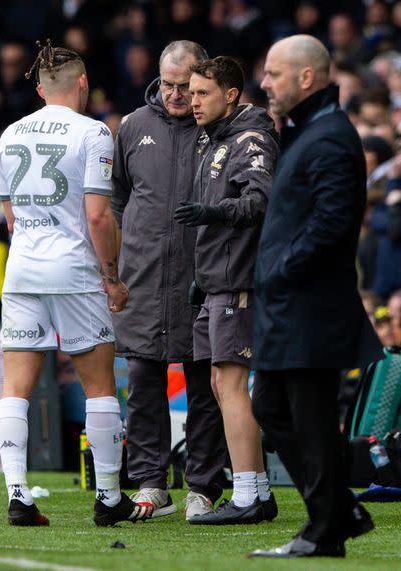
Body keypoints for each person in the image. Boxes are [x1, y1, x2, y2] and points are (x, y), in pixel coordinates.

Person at [0, 41, 147, 528]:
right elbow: (99, 216)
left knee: (15, 388)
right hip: (75, 271)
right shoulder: (94, 132)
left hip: (21, 270)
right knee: (99, 386)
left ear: (39, 89)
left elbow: (11, 217)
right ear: (83, 83)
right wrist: (112, 278)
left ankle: (17, 494)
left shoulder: (9, 134)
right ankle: (107, 497)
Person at [250, 35, 382, 558]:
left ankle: (325, 528)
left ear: (307, 78)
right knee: (273, 405)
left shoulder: (328, 137)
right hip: (292, 306)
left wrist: (281, 269)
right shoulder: (310, 131)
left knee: (310, 416)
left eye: (274, 74)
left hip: (309, 308)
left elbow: (332, 223)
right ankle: (337, 511)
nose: (264, 84)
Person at [111, 40, 226, 520]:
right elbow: (117, 197)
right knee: (142, 382)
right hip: (143, 276)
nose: (177, 95)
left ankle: (203, 486)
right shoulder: (133, 127)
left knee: (206, 386)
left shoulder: (220, 129)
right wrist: (120, 260)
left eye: (186, 86)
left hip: (204, 274)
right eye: (168, 85)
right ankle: (151, 483)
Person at [174, 56, 279, 524]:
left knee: (233, 385)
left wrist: (212, 213)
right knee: (221, 383)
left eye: (201, 93)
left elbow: (260, 201)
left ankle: (249, 495)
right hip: (216, 280)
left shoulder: (250, 138)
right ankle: (254, 490)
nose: (191, 102)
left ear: (231, 94)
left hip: (238, 280)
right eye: (191, 93)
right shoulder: (214, 139)